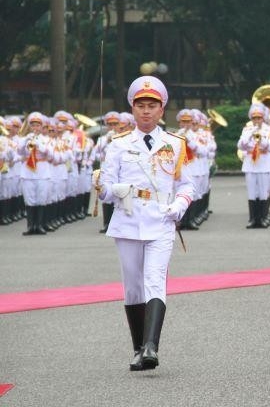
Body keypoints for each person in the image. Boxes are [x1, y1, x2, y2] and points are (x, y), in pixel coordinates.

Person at [95, 75, 194, 371]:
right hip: (127, 220)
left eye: (152, 105)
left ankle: (152, 346)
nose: (146, 111)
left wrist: (178, 206)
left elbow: (188, 185)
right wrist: (109, 188)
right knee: (133, 288)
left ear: (162, 109)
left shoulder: (175, 144)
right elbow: (107, 186)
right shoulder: (118, 144)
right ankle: (138, 347)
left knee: (154, 280)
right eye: (141, 105)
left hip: (160, 219)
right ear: (133, 109)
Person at [237, 103, 270, 228]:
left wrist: (262, 140)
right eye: (254, 118)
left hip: (264, 164)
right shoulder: (247, 130)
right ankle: (252, 219)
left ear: (263, 118)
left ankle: (262, 218)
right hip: (250, 164)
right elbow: (240, 145)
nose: (257, 120)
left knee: (262, 192)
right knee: (251, 192)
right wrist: (250, 135)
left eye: (259, 118)